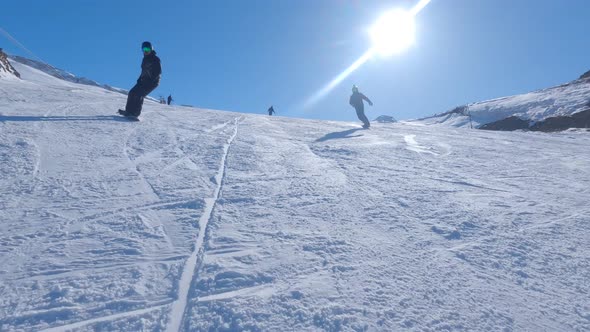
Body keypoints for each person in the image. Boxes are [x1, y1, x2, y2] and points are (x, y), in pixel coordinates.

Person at [118, 41, 161, 118]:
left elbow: (158, 72)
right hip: (143, 80)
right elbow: (143, 71)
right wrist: (139, 79)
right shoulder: (144, 59)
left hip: (153, 82)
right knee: (132, 92)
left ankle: (135, 114)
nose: (145, 51)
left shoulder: (155, 59)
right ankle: (128, 111)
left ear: (151, 49)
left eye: (147, 49)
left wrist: (151, 80)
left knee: (139, 94)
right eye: (144, 49)